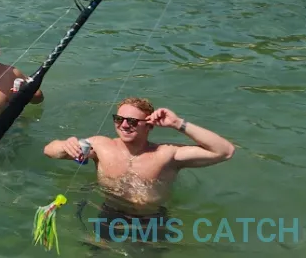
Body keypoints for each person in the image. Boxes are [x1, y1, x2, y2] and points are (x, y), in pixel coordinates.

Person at [42, 97, 235, 240]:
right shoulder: (101, 146)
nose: (124, 125)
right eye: (119, 119)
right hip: (110, 213)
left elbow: (225, 151)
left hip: (151, 220)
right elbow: (49, 150)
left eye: (133, 121)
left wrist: (177, 123)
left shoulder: (166, 154)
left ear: (149, 126)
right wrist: (65, 145)